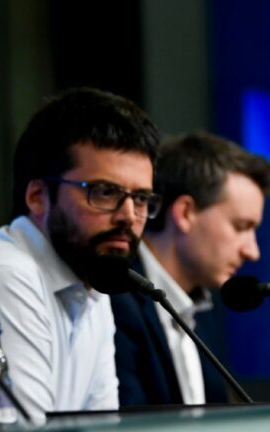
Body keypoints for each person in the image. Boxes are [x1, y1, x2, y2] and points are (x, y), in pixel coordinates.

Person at [0, 87, 160, 425]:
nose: (129, 216)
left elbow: (102, 426)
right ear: (38, 196)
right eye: (105, 192)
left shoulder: (91, 283)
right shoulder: (0, 274)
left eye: (141, 199)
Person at [111, 131, 270, 406]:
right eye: (241, 227)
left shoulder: (203, 309)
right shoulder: (115, 298)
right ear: (185, 213)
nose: (252, 252)